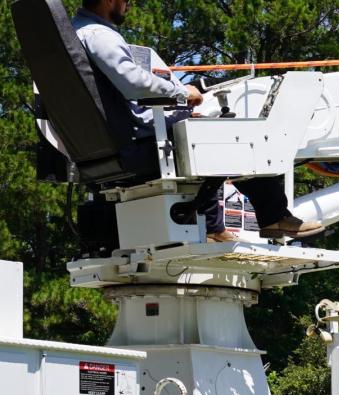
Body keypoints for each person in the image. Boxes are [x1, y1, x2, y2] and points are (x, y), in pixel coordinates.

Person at [72, 0, 323, 242]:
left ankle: (213, 228)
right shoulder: (99, 36)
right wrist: (181, 94)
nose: (129, 5)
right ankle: (274, 217)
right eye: (127, 0)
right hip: (136, 141)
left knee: (204, 139)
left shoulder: (75, 34)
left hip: (111, 142)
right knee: (241, 138)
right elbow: (133, 83)